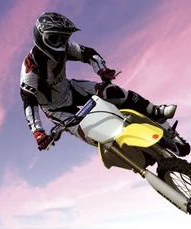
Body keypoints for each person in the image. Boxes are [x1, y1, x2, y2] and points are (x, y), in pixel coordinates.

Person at [20, 12, 177, 150]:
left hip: (70, 89)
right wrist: (38, 131)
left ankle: (156, 111)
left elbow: (88, 53)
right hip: (56, 108)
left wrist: (101, 70)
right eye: (55, 38)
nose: (61, 44)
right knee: (94, 137)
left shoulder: (66, 47)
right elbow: (29, 101)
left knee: (112, 91)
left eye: (64, 38)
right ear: (41, 37)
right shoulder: (31, 67)